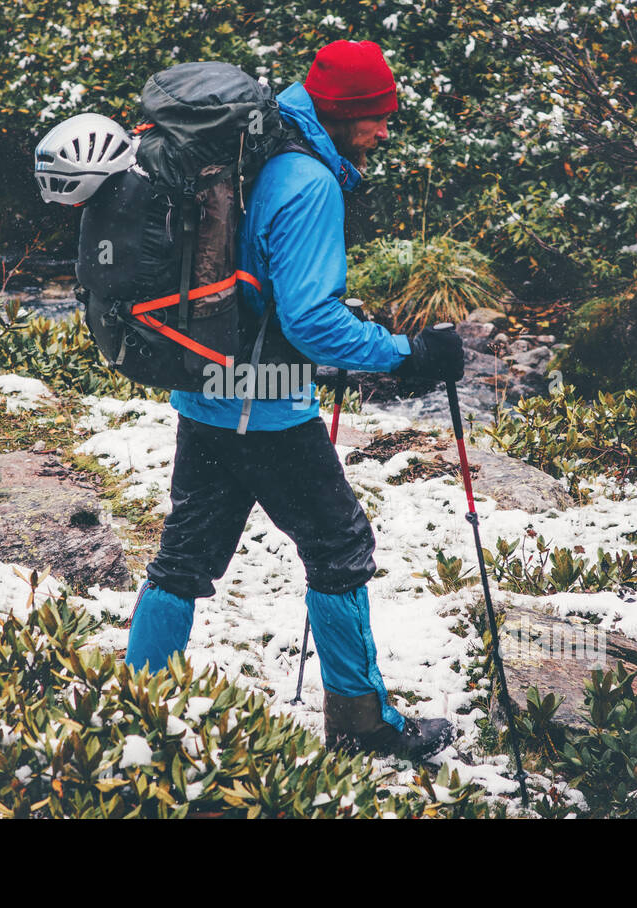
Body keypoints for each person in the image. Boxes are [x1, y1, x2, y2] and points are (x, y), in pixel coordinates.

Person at [124, 39, 465, 760]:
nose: (383, 131)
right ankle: (361, 725)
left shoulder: (258, 140)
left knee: (182, 559)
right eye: (374, 117)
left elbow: (267, 281)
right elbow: (310, 321)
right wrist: (405, 355)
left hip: (207, 391)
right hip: (266, 407)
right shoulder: (307, 181)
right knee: (340, 548)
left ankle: (138, 711)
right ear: (339, 113)